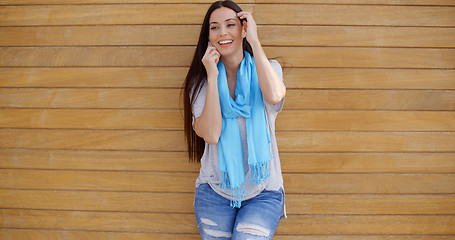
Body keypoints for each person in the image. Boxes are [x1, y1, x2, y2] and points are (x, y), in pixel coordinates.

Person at [182, 1, 286, 239]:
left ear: (243, 29)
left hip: (264, 192)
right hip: (214, 193)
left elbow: (274, 95)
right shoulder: (200, 84)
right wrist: (211, 74)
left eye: (231, 25)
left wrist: (255, 42)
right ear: (208, 36)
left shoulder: (269, 69)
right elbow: (211, 134)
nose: (223, 33)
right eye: (214, 27)